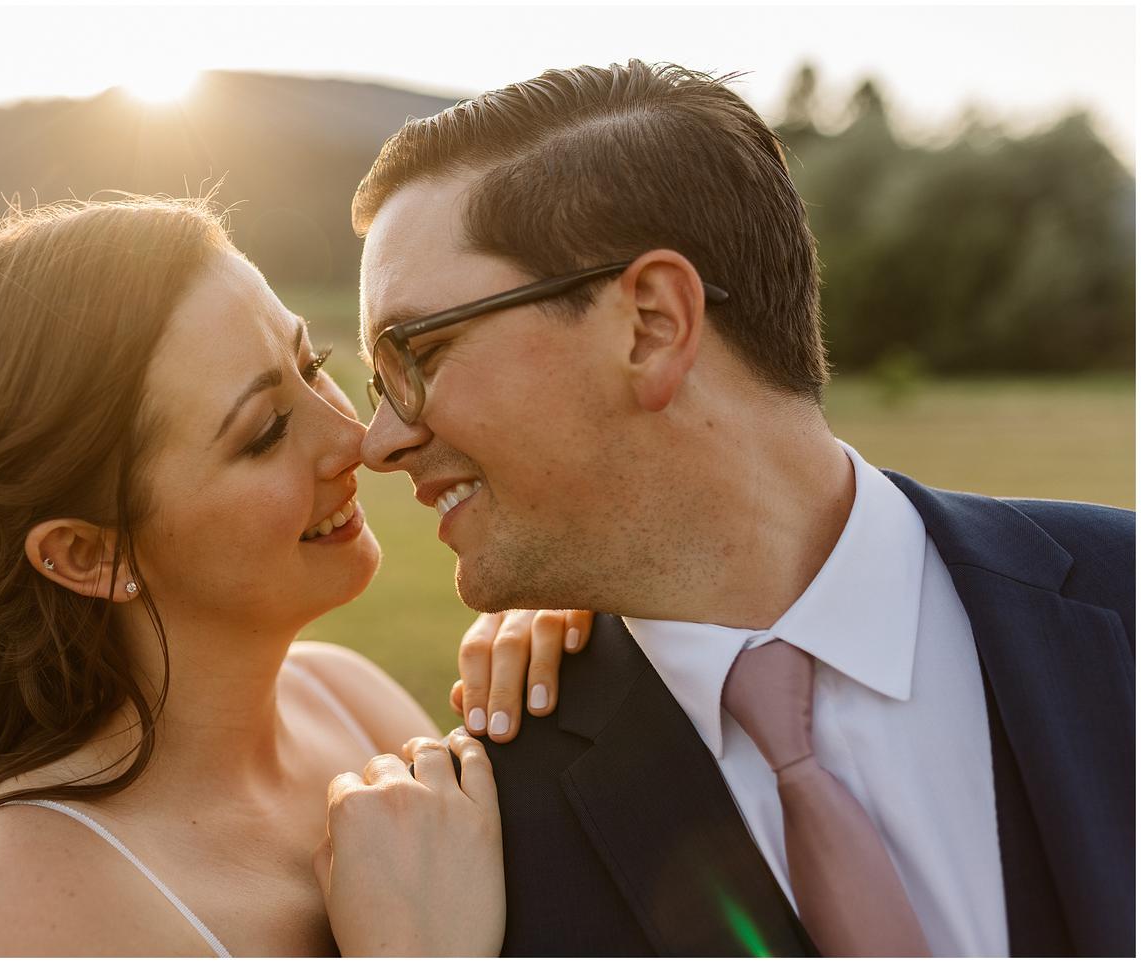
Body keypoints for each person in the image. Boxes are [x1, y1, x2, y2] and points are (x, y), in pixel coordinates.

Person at [319, 61, 1135, 956]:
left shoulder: (1119, 603)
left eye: (418, 353)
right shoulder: (469, 862)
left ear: (653, 323)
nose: (378, 439)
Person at [0, 195, 580, 956]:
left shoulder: (346, 697)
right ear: (89, 554)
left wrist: (580, 648)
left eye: (314, 365)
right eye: (265, 430)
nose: (359, 439)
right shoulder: (1, 897)